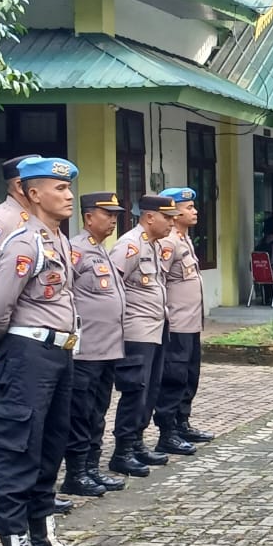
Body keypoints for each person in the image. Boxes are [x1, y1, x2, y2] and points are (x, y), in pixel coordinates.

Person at [0, 157, 96, 546]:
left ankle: (42, 536)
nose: (67, 196)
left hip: (59, 355)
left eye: (68, 188)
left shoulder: (57, 241)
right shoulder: (25, 243)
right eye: (58, 189)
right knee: (18, 448)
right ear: (31, 194)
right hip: (27, 354)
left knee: (50, 445)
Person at [0, 154, 75, 521]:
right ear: (25, 187)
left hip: (44, 345)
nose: (68, 195)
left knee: (42, 435)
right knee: (10, 429)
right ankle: (1, 505)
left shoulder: (51, 233)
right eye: (60, 187)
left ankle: (36, 514)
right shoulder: (0, 223)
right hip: (14, 343)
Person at [62, 192, 130, 498]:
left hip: (108, 349)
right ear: (89, 217)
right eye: (107, 214)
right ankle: (76, 473)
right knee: (80, 412)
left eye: (115, 215)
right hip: (85, 350)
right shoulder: (74, 251)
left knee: (97, 411)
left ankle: (91, 467)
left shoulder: (102, 251)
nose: (113, 220)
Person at [107, 195, 179, 476]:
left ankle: (136, 442)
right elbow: (112, 287)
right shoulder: (130, 245)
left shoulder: (154, 245)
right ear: (149, 217)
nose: (172, 223)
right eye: (167, 218)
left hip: (155, 328)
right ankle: (122, 450)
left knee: (150, 389)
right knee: (135, 390)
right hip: (136, 331)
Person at [154, 186, 215, 453]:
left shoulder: (184, 239)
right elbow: (158, 281)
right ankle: (167, 432)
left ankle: (182, 422)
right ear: (174, 212)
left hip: (191, 324)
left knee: (190, 376)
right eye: (189, 207)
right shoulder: (168, 243)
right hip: (176, 324)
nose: (195, 211)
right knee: (174, 377)